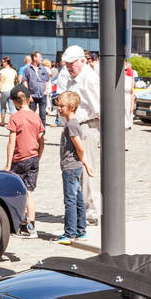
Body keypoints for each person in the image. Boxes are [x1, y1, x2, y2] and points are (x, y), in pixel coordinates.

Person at [59, 45, 102, 224]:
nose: (69, 67)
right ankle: (82, 209)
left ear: (81, 61)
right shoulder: (72, 78)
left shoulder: (89, 78)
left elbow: (98, 107)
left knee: (87, 169)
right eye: (67, 64)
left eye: (72, 63)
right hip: (74, 126)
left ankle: (92, 210)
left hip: (86, 127)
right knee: (77, 171)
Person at [4, 87, 44, 234]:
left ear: (14, 102)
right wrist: (38, 156)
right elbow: (41, 140)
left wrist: (8, 165)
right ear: (29, 99)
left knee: (17, 191)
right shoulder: (36, 116)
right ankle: (31, 224)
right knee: (30, 193)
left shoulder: (15, 117)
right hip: (33, 159)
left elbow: (11, 142)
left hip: (19, 160)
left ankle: (17, 220)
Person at [56, 89, 91, 244]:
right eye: (58, 105)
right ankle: (80, 231)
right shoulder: (72, 124)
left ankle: (70, 233)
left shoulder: (71, 125)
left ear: (72, 107)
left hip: (70, 167)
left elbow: (80, 147)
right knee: (78, 199)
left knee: (70, 200)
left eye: (62, 106)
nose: (59, 108)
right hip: (74, 166)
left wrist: (83, 161)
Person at [0, 58, 17, 126]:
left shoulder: (2, 71)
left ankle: (2, 122)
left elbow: (1, 81)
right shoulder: (13, 71)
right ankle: (13, 123)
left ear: (6, 62)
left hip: (4, 90)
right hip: (12, 89)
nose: (2, 63)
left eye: (3, 62)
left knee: (3, 106)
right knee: (12, 107)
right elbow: (15, 81)